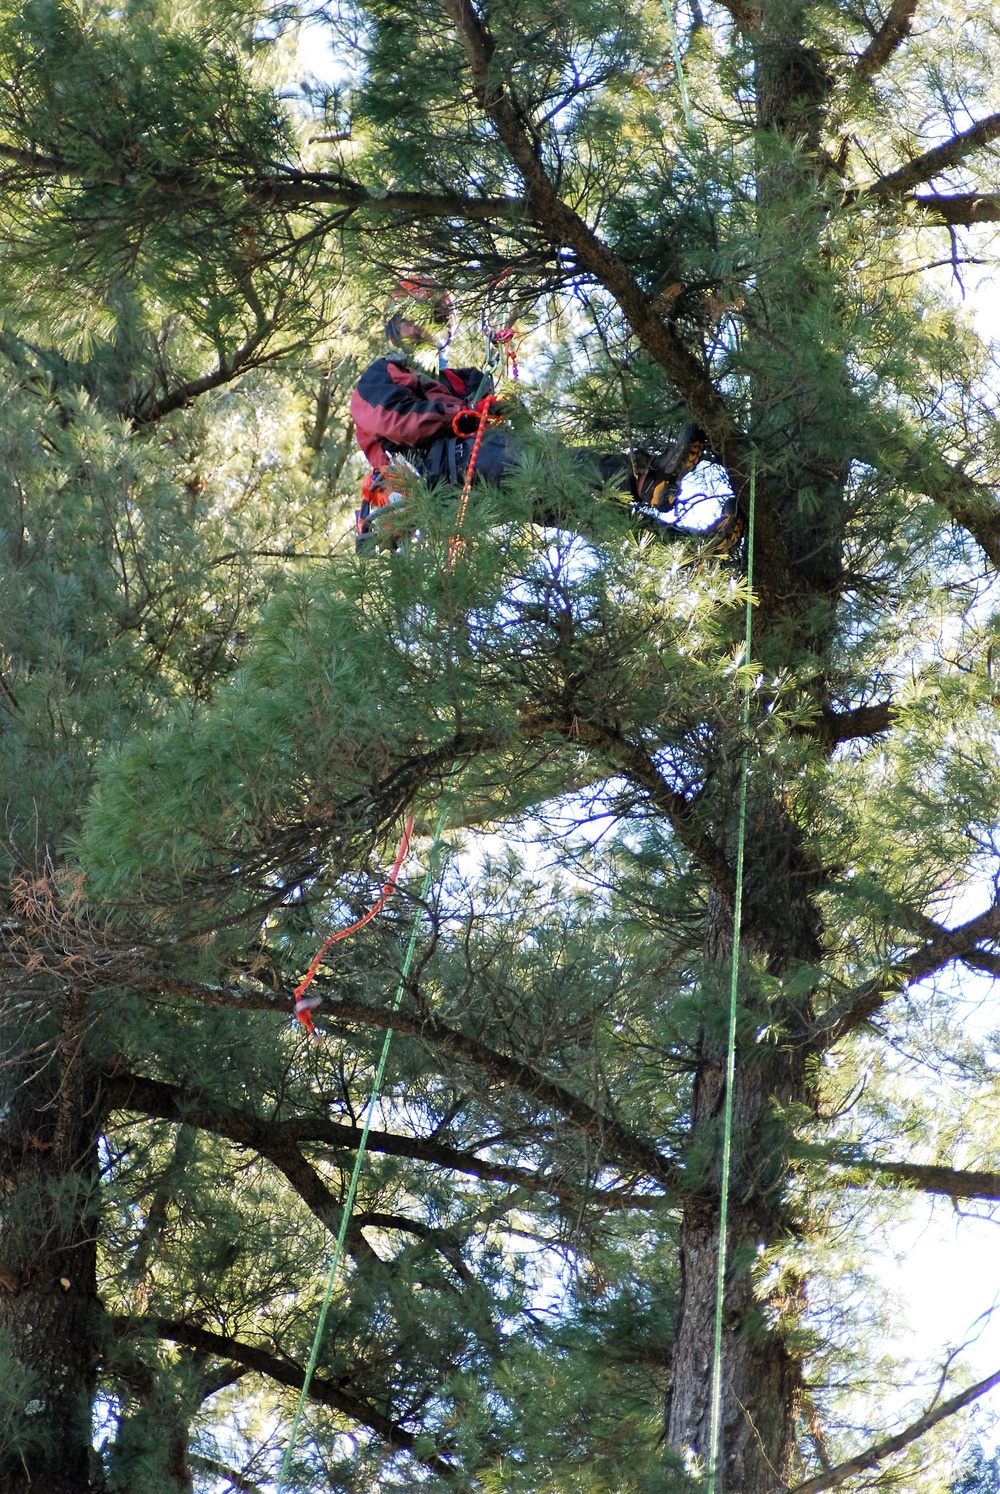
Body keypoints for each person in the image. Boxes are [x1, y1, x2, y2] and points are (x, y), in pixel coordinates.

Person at [351, 276, 742, 553]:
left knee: (582, 507)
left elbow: (511, 424)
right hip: (444, 469)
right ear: (394, 327)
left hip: (478, 476)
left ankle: (687, 552)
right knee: (548, 464)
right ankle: (646, 476)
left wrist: (502, 407)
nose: (423, 328)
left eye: (435, 318)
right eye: (414, 319)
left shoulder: (460, 380)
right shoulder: (380, 375)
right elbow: (396, 421)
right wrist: (465, 412)